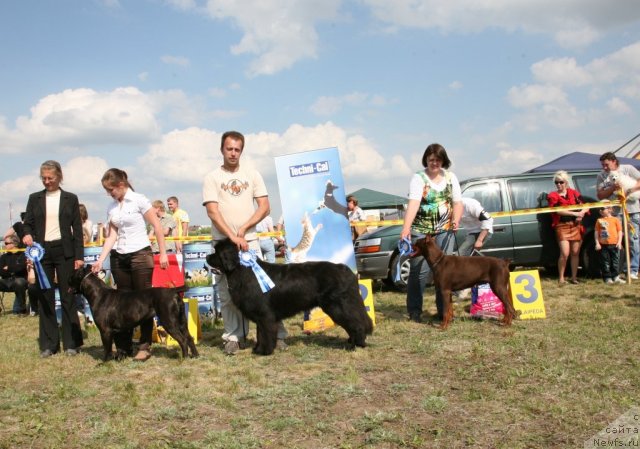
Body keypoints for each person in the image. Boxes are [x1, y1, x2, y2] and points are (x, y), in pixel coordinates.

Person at [202, 130, 287, 355]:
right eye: (229, 149)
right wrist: (232, 236)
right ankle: (233, 337)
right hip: (224, 243)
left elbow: (264, 207)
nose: (233, 153)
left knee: (266, 291)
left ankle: (277, 335)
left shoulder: (253, 174)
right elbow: (213, 211)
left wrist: (243, 229)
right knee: (227, 293)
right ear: (222, 149)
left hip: (250, 242)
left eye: (237, 149)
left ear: (242, 151)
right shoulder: (212, 178)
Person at [91, 168, 169, 362]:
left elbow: (157, 227)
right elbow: (112, 236)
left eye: (111, 189)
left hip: (140, 255)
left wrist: (163, 253)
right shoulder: (111, 207)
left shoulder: (139, 200)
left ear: (121, 185)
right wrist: (101, 259)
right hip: (119, 258)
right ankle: (124, 347)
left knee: (144, 303)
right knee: (121, 304)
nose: (110, 194)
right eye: (107, 191)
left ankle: (144, 346)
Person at [22, 160, 84, 357]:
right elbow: (27, 223)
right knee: (45, 297)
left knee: (68, 296)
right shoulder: (34, 198)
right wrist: (26, 234)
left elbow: (78, 230)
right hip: (42, 252)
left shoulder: (70, 199)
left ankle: (71, 343)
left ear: (59, 177)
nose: (47, 181)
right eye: (44, 178)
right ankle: (49, 344)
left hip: (65, 251)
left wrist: (79, 257)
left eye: (50, 178)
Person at [400, 143, 462, 323]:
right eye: (431, 159)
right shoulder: (418, 178)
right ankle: (414, 311)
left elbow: (457, 202)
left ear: (443, 160)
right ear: (426, 159)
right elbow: (414, 203)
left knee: (444, 273)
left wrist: (456, 219)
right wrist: (406, 228)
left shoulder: (451, 177)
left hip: (445, 231)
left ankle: (443, 311)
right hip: (421, 232)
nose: (434, 163)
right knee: (418, 272)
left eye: (438, 159)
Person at [596, 151, 640, 280]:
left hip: (632, 211)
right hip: (614, 214)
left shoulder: (628, 169)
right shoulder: (601, 176)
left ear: (614, 161)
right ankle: (615, 272)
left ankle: (632, 270)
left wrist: (630, 190)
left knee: (634, 241)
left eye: (606, 164)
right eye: (603, 165)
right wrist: (613, 188)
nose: (604, 167)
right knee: (614, 242)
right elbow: (600, 195)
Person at [547, 170, 589, 285]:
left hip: (576, 225)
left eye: (561, 182)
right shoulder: (553, 195)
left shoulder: (575, 193)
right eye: (556, 182)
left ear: (566, 182)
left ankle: (574, 277)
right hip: (562, 226)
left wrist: (582, 214)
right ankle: (561, 278)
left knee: (575, 252)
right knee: (565, 253)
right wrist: (575, 214)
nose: (559, 185)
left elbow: (586, 205)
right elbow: (558, 211)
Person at [594, 201, 624, 284]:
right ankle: (607, 277)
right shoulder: (599, 220)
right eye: (599, 209)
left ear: (610, 209)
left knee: (615, 261)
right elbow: (596, 232)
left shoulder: (615, 220)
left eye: (602, 209)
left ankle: (616, 276)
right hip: (603, 245)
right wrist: (597, 243)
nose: (600, 211)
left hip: (614, 244)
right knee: (605, 261)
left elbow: (620, 231)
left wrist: (619, 242)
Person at [0, 234, 30, 314]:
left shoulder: (23, 254)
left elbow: (22, 267)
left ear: (14, 244)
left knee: (19, 282)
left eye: (6, 243)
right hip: (6, 281)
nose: (4, 245)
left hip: (21, 280)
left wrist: (8, 268)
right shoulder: (3, 257)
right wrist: (14, 268)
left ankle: (21, 309)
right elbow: (1, 271)